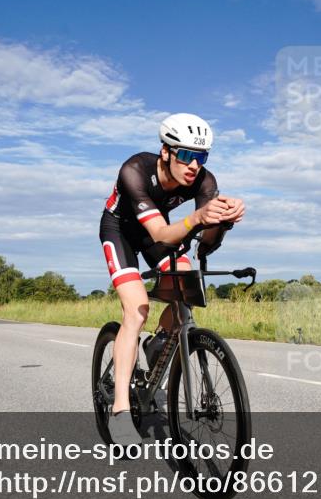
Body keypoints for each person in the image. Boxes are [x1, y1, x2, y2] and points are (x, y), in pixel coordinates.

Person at [99, 113, 245, 444]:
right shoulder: (134, 171)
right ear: (166, 151)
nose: (195, 165)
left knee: (187, 284)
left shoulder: (204, 181)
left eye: (202, 156)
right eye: (187, 155)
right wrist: (197, 217)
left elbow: (207, 241)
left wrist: (224, 221)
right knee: (137, 309)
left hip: (157, 236)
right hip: (121, 230)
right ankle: (120, 409)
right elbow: (162, 231)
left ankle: (157, 343)